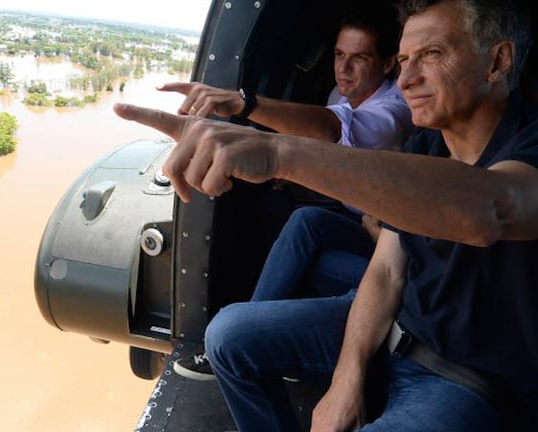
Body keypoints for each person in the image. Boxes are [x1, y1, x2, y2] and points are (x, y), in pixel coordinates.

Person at [114, 0, 537, 430]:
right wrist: (345, 379)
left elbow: (490, 208)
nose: (406, 80)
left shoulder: (529, 145)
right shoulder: (426, 145)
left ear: (497, 61)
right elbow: (387, 270)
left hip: (466, 378)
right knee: (227, 337)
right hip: (396, 333)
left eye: (432, 55)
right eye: (405, 60)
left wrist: (277, 152)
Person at [165, 9, 412, 381]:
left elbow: (332, 129)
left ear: (390, 63)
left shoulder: (395, 110)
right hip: (358, 219)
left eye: (359, 58)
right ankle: (258, 330)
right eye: (339, 55)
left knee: (302, 259)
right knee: (299, 220)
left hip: (393, 247)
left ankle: (253, 341)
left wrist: (244, 104)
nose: (343, 69)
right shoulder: (342, 93)